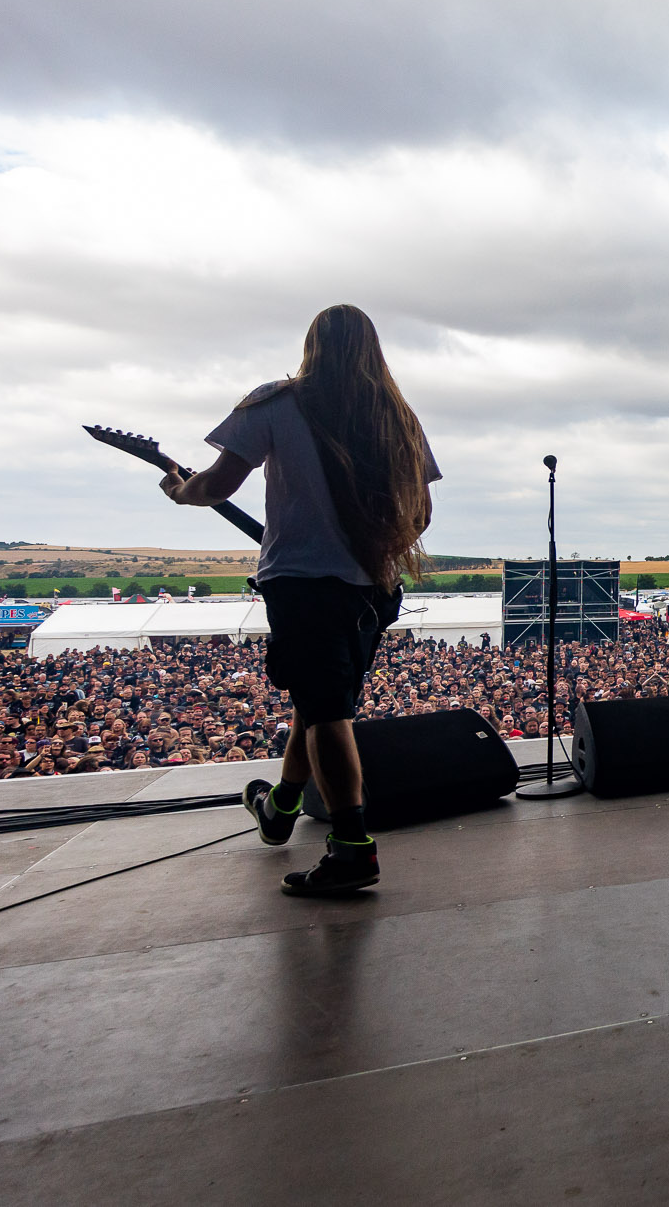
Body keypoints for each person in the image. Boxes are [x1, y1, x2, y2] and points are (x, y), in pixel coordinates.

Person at [163, 305, 439, 896]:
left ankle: (352, 850)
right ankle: (282, 806)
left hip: (301, 584)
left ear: (312, 345)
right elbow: (420, 514)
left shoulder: (275, 402)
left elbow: (218, 485)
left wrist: (182, 491)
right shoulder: (396, 416)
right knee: (320, 702)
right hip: (373, 590)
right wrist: (374, 551)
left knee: (327, 711)